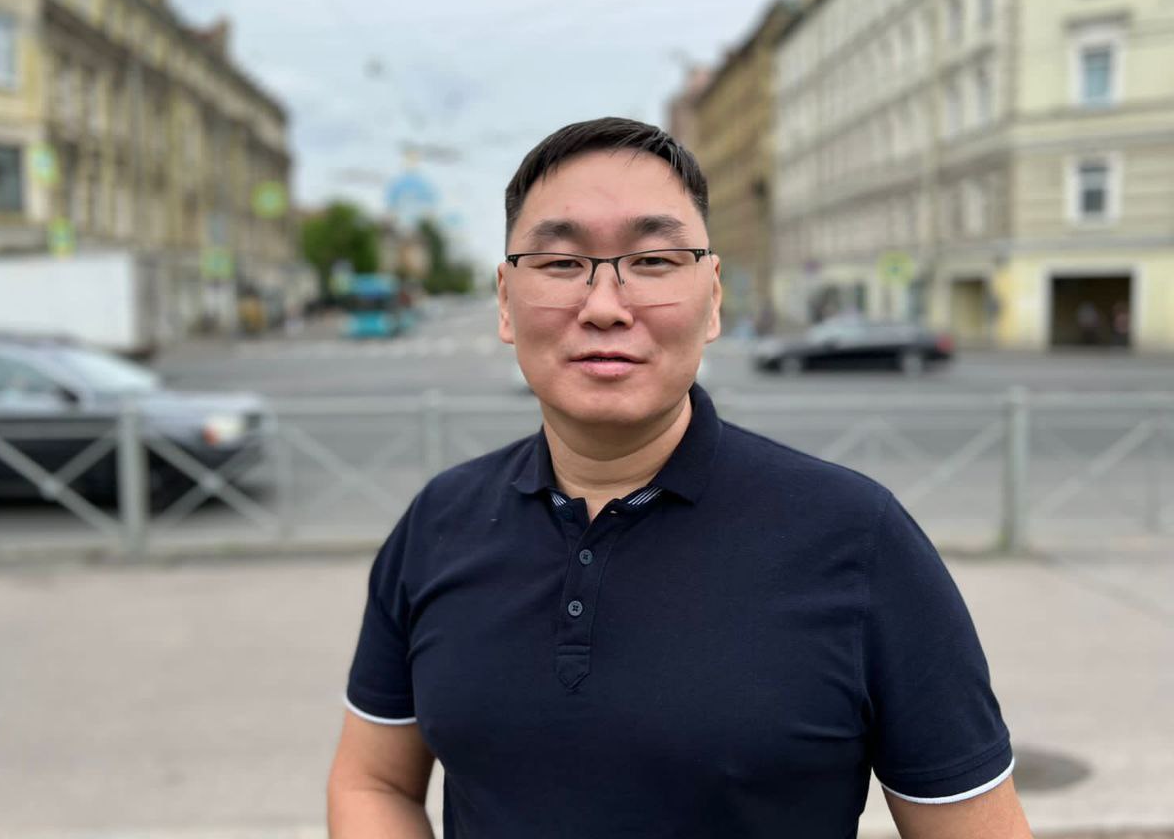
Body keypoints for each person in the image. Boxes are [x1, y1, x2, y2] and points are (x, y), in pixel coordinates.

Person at [327, 118, 1031, 838]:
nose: (604, 307)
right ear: (505, 301)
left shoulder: (858, 538)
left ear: (714, 297)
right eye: (561, 263)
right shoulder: (439, 522)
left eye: (654, 261)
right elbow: (373, 781)